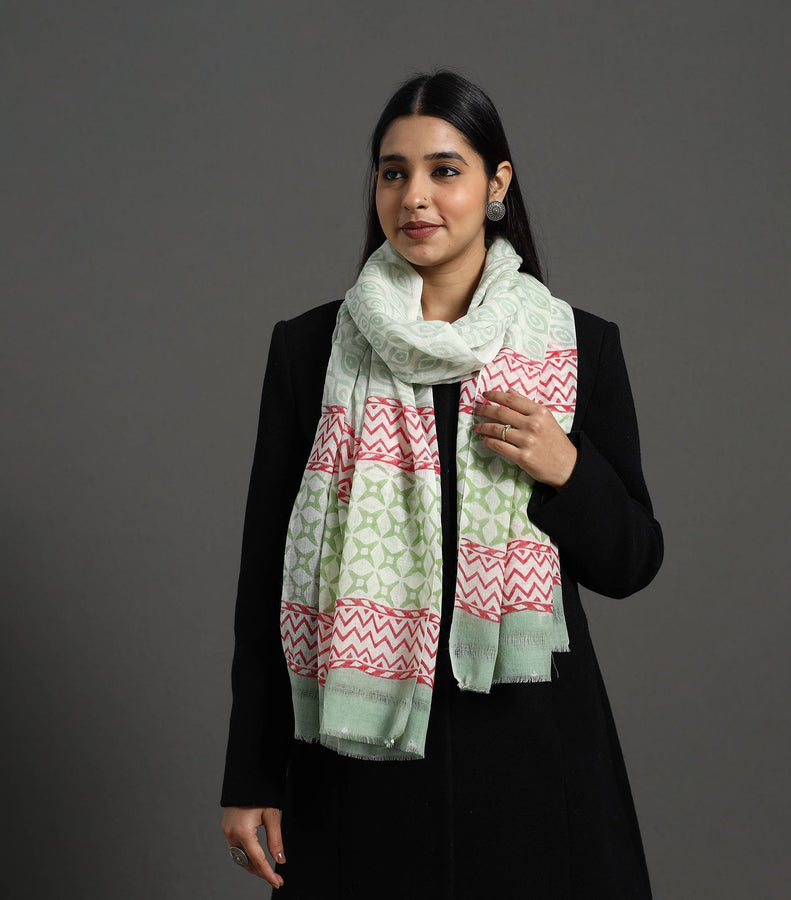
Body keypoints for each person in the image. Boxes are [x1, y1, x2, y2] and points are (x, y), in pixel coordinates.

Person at [221, 70, 663, 899]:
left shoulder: (576, 346)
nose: (415, 196)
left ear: (497, 184)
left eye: (444, 170)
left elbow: (633, 561)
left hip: (534, 757)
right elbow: (266, 580)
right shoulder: (312, 351)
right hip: (359, 761)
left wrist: (568, 469)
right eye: (394, 172)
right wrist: (253, 772)